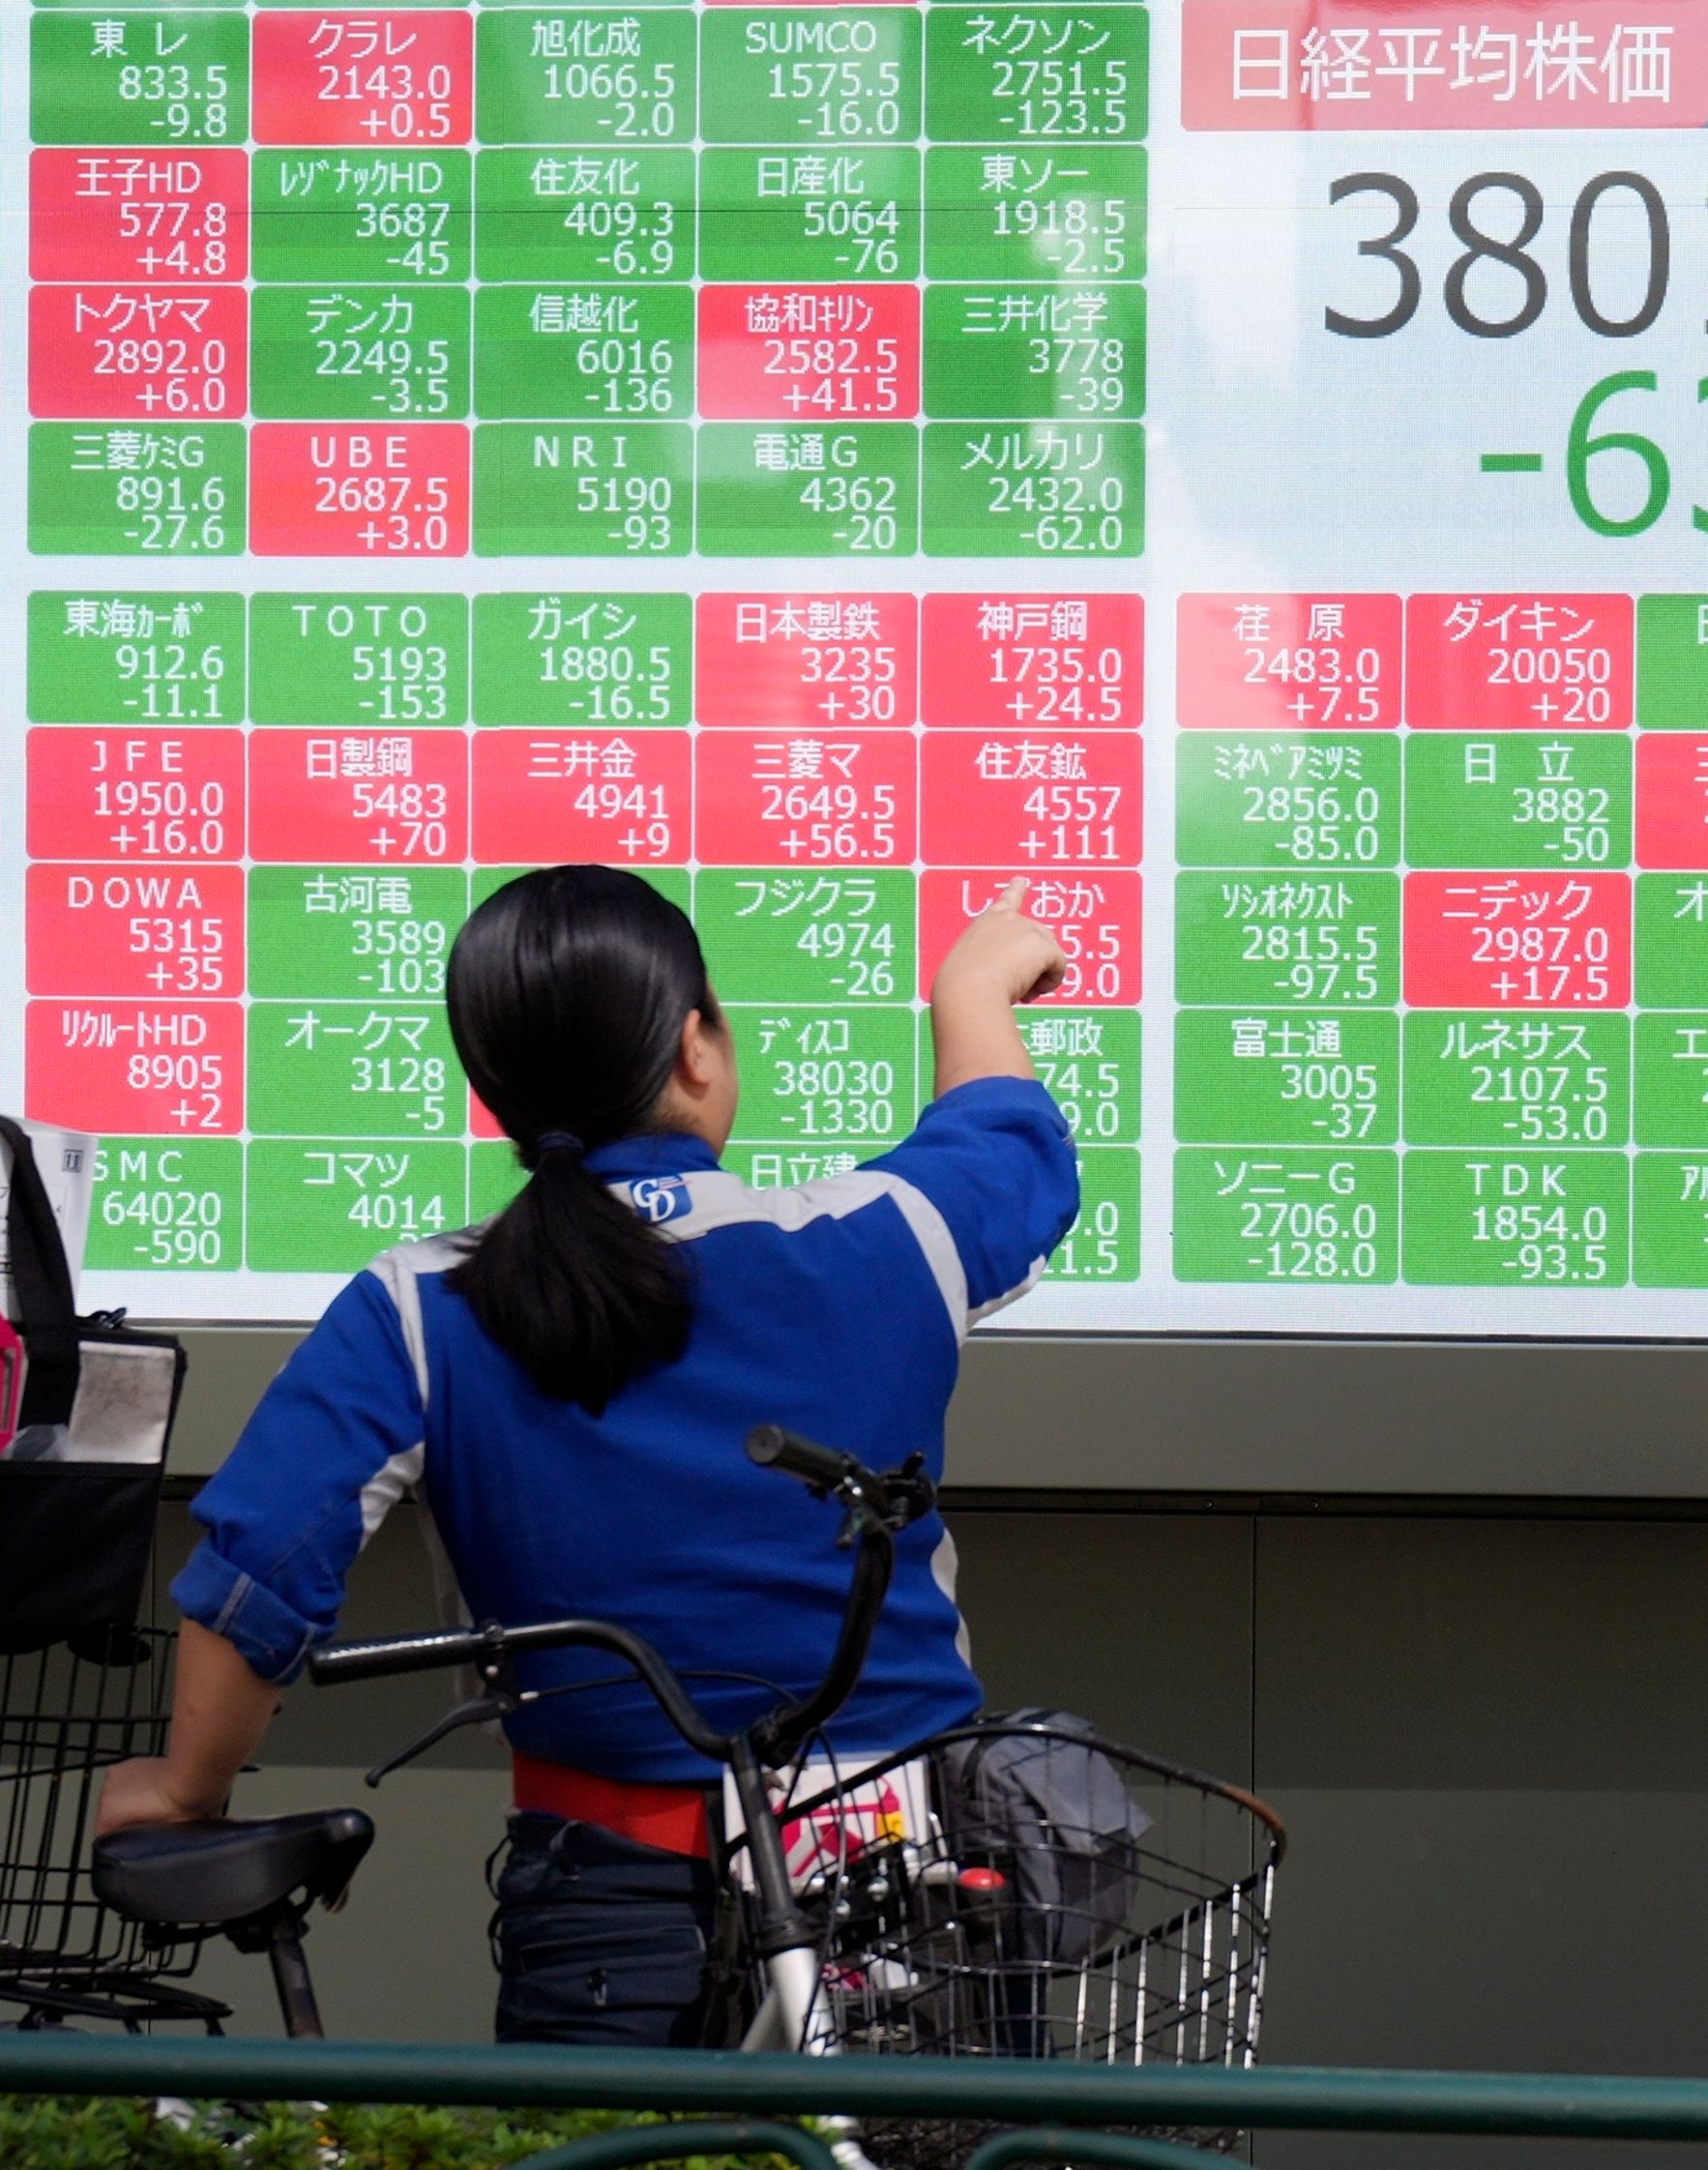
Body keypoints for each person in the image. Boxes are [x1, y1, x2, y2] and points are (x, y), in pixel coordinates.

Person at [96, 864, 1079, 2044]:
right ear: (695, 1047)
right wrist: (972, 990)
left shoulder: (423, 1306)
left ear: (493, 1091)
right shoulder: (888, 1237)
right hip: (909, 1895)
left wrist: (184, 1789)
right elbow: (1012, 1150)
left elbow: (261, 1566)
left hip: (611, 1914)